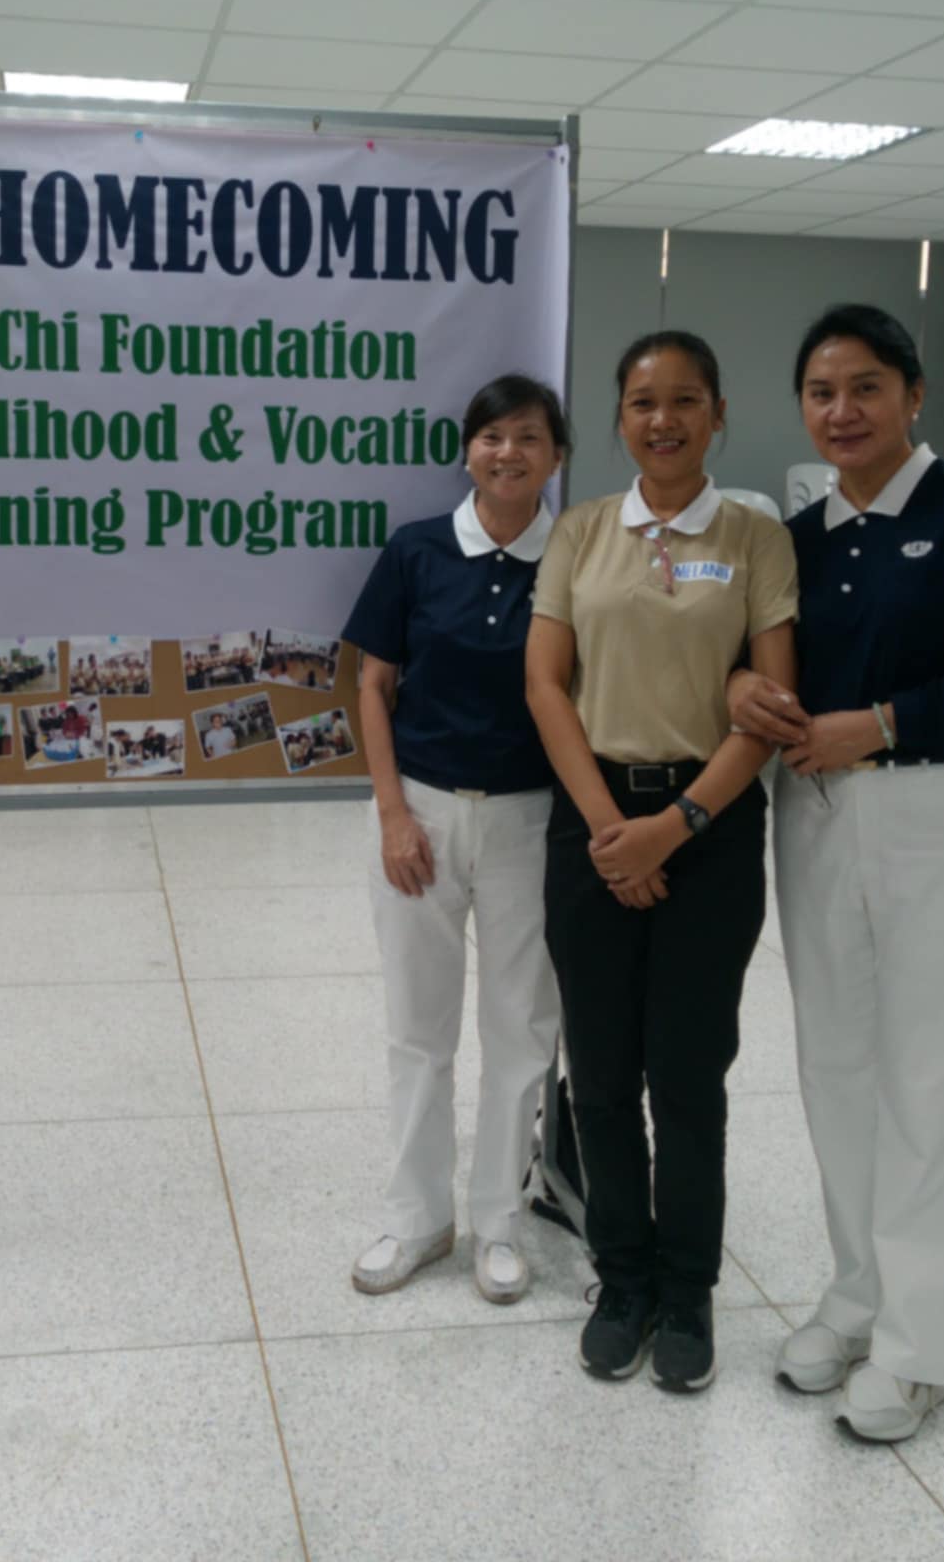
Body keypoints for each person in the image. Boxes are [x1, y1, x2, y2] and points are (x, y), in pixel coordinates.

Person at [729, 303, 944, 1443]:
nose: (842, 411)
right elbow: (756, 656)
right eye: (821, 392)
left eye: (865, 386)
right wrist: (744, 694)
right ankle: (856, 1294)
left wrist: (881, 721)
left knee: (936, 1079)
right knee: (841, 1068)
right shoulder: (804, 535)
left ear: (914, 394)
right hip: (819, 819)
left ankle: (919, 1348)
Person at [527, 331, 798, 1393]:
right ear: (621, 416)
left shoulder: (753, 537)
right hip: (592, 817)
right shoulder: (583, 531)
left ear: (718, 413)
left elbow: (769, 705)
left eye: (686, 400)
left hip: (712, 827)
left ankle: (687, 1290)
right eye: (643, 401)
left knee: (687, 1075)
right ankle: (621, 1277)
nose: (664, 419)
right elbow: (549, 686)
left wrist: (671, 826)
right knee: (599, 1073)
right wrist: (610, 832)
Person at [344, 372, 568, 1307]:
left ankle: (500, 1225)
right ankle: (417, 1217)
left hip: (532, 818)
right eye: (491, 436)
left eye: (528, 438)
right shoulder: (418, 550)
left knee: (521, 1028)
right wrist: (393, 812)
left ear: (555, 457)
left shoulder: (578, 557)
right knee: (417, 1026)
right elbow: (370, 684)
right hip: (422, 813)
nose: (507, 453)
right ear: (467, 449)